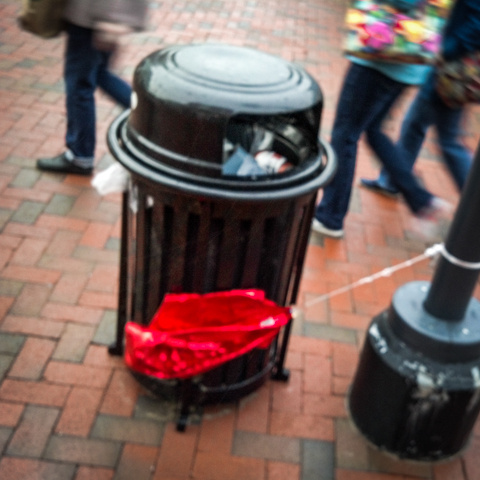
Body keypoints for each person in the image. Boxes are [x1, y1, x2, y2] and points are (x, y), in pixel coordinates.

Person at [312, 56, 444, 239]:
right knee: (373, 130)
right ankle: (420, 199)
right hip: (406, 67)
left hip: (379, 59)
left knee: (345, 135)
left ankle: (330, 217)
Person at [360, 0, 480, 199]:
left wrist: (445, 50)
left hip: (451, 68)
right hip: (448, 64)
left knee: (448, 141)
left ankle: (472, 209)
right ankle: (392, 181)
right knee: (417, 125)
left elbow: (476, 25)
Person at [36, 0, 147, 176]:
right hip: (101, 17)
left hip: (92, 17)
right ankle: (148, 116)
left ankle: (80, 156)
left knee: (80, 85)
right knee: (100, 74)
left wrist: (110, 19)